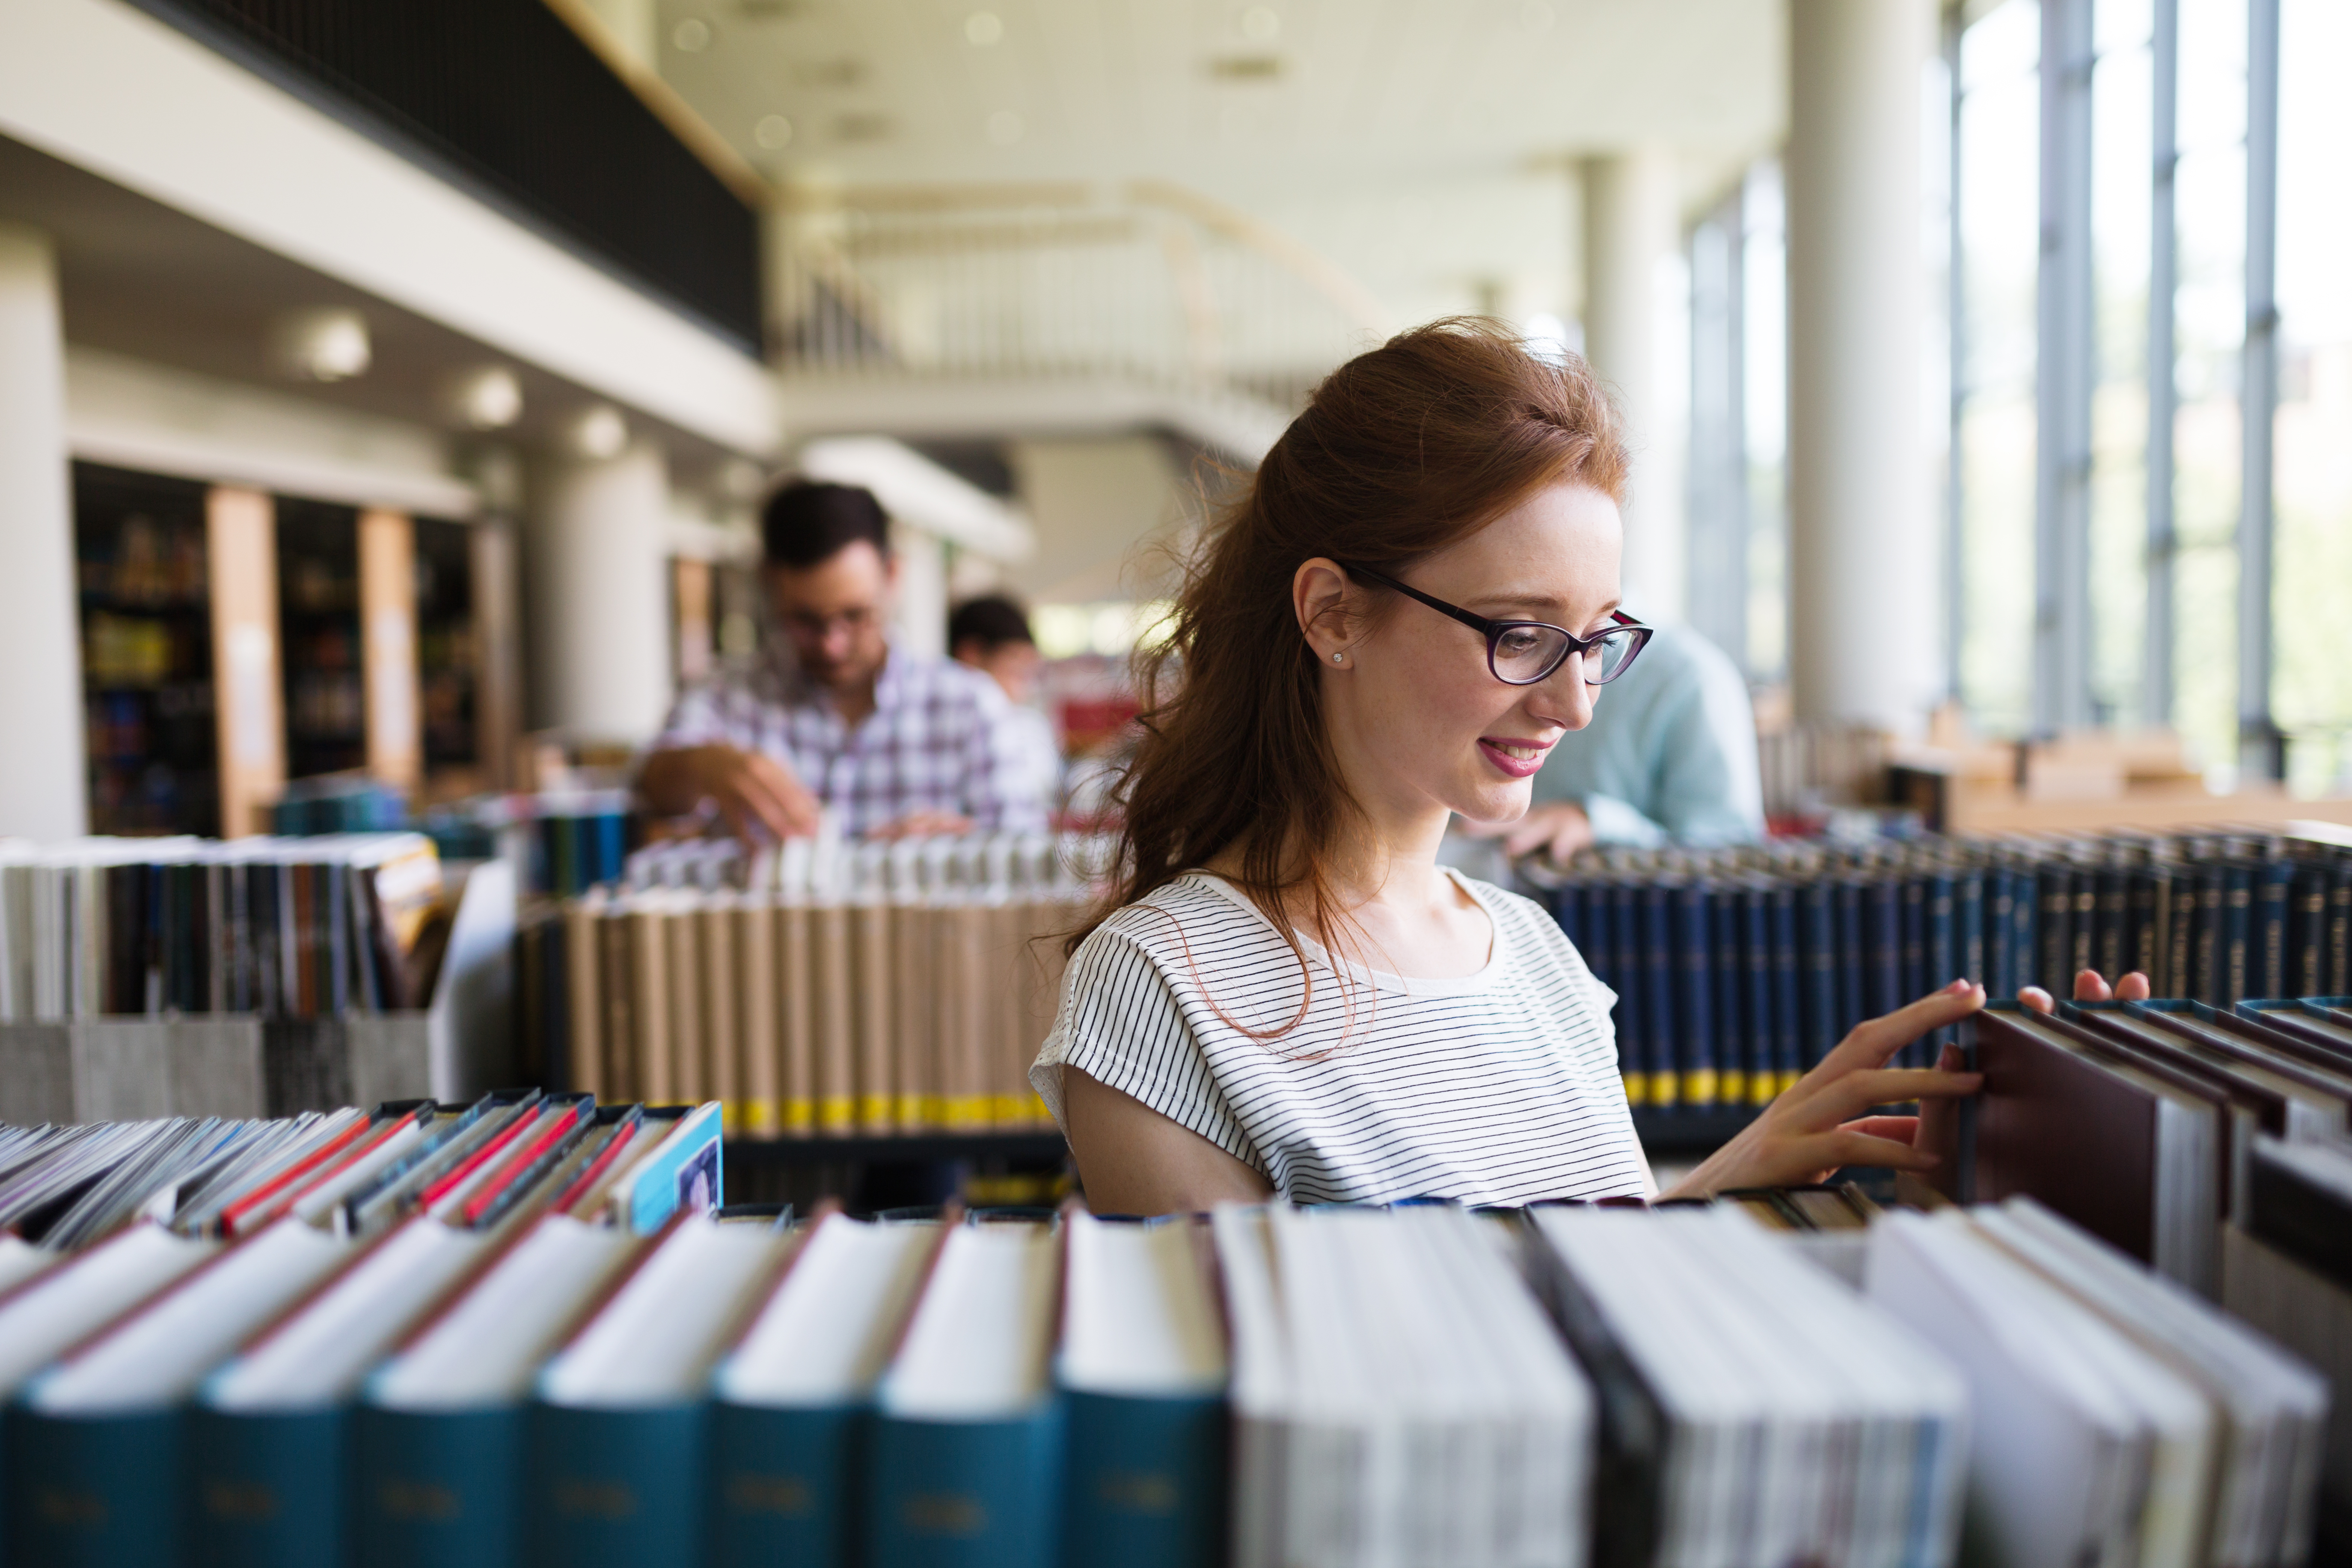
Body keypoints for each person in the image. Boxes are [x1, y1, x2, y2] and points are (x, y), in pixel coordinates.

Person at [1026, 318, 2141, 1216]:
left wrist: (1740, 1179)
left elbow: (1582, 1301)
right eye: (1518, 632)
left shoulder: (1537, 959)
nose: (1573, 701)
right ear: (1333, 615)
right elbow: (1320, 1427)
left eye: (1599, 637)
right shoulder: (1159, 988)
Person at [641, 481, 1048, 840]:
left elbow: (1028, 851)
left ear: (892, 575)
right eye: (805, 620)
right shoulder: (723, 694)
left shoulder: (972, 706)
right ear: (769, 584)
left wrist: (966, 848)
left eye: (855, 616)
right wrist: (703, 764)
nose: (832, 645)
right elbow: (651, 788)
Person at [1463, 618, 1765, 861]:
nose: (1579, 715)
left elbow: (1730, 852)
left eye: (1601, 644)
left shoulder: (1689, 676)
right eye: (1519, 639)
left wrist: (1598, 823)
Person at [949, 594, 1063, 815]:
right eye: (1015, 663)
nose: (1025, 683)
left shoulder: (1031, 726)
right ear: (970, 655)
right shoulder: (939, 725)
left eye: (1029, 669)